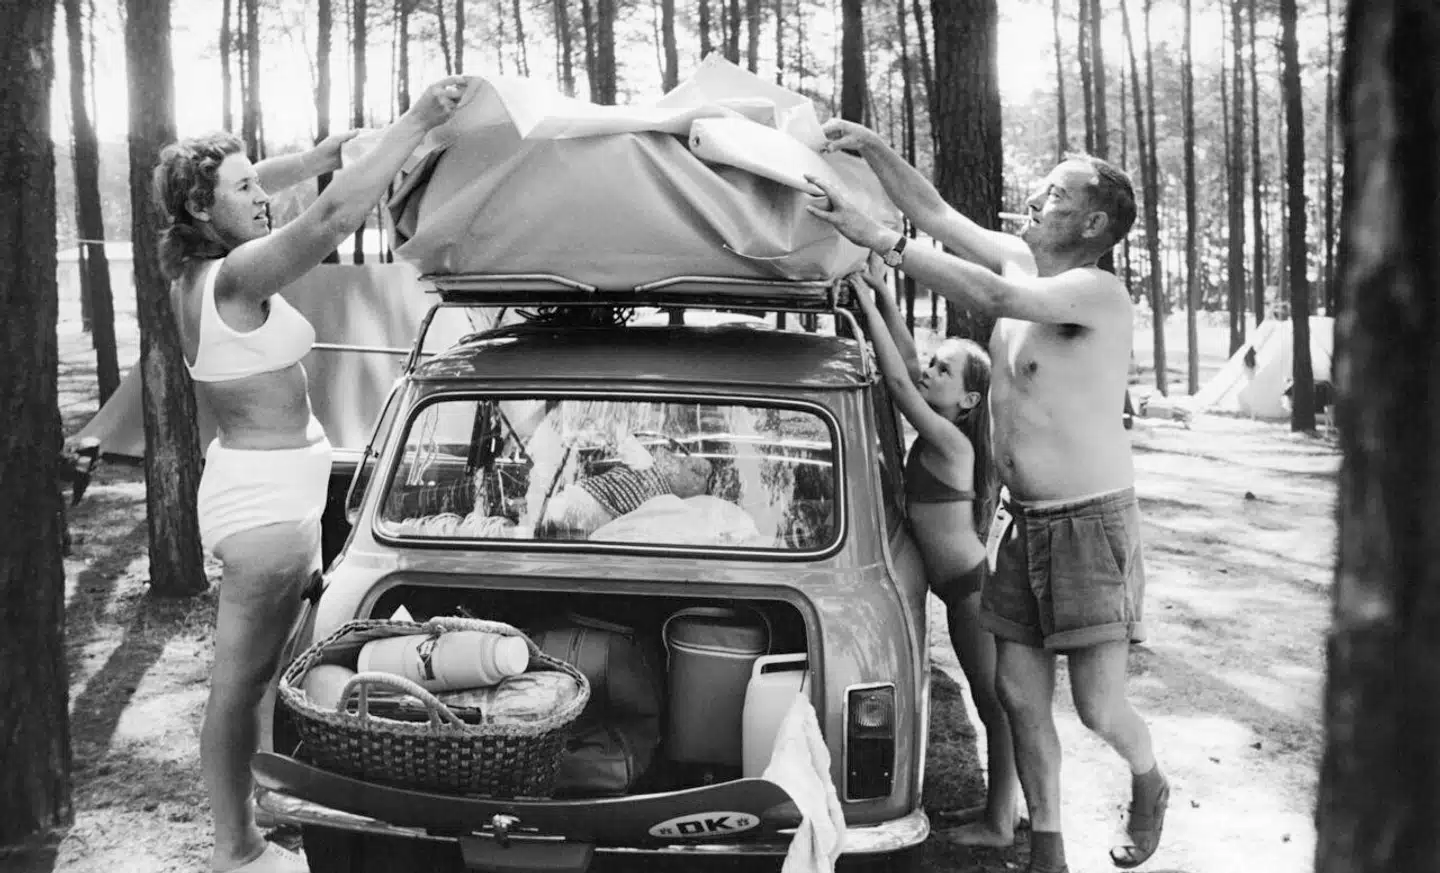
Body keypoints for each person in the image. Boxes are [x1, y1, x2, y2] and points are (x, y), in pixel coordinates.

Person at [807, 120, 1166, 873]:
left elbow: (994, 293)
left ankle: (1148, 779)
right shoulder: (1022, 258)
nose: (1035, 198)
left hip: (1088, 521)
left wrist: (880, 239)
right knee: (1018, 694)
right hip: (1022, 521)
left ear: (1092, 224)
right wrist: (873, 148)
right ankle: (1048, 852)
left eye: (1055, 194)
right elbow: (936, 213)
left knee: (1098, 707)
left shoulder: (1094, 292)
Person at [151, 76, 469, 873]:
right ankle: (235, 848)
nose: (262, 196)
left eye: (259, 181)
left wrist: (314, 157)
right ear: (200, 209)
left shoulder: (202, 264)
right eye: (244, 189)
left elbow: (258, 183)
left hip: (268, 494)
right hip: (262, 512)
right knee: (238, 683)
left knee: (262, 679)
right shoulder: (234, 278)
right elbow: (328, 221)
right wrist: (414, 121)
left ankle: (259, 815)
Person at [850, 265, 1021, 847]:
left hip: (972, 589)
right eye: (933, 363)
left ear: (968, 400)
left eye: (943, 370)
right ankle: (1000, 810)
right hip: (960, 587)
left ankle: (1000, 824)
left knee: (995, 705)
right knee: (990, 700)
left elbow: (900, 387)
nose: (929, 370)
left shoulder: (951, 443)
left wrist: (865, 311)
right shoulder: (941, 428)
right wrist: (883, 295)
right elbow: (906, 360)